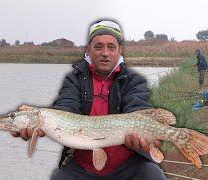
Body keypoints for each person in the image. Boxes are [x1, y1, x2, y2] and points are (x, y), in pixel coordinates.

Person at [11, 19, 166, 180]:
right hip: (82, 168)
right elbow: (65, 107)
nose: (105, 53)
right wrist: (44, 124)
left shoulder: (134, 80)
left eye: (111, 47)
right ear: (88, 50)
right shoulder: (74, 80)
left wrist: (142, 136)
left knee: (153, 175)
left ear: (120, 50)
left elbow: (138, 108)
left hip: (128, 165)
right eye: (98, 46)